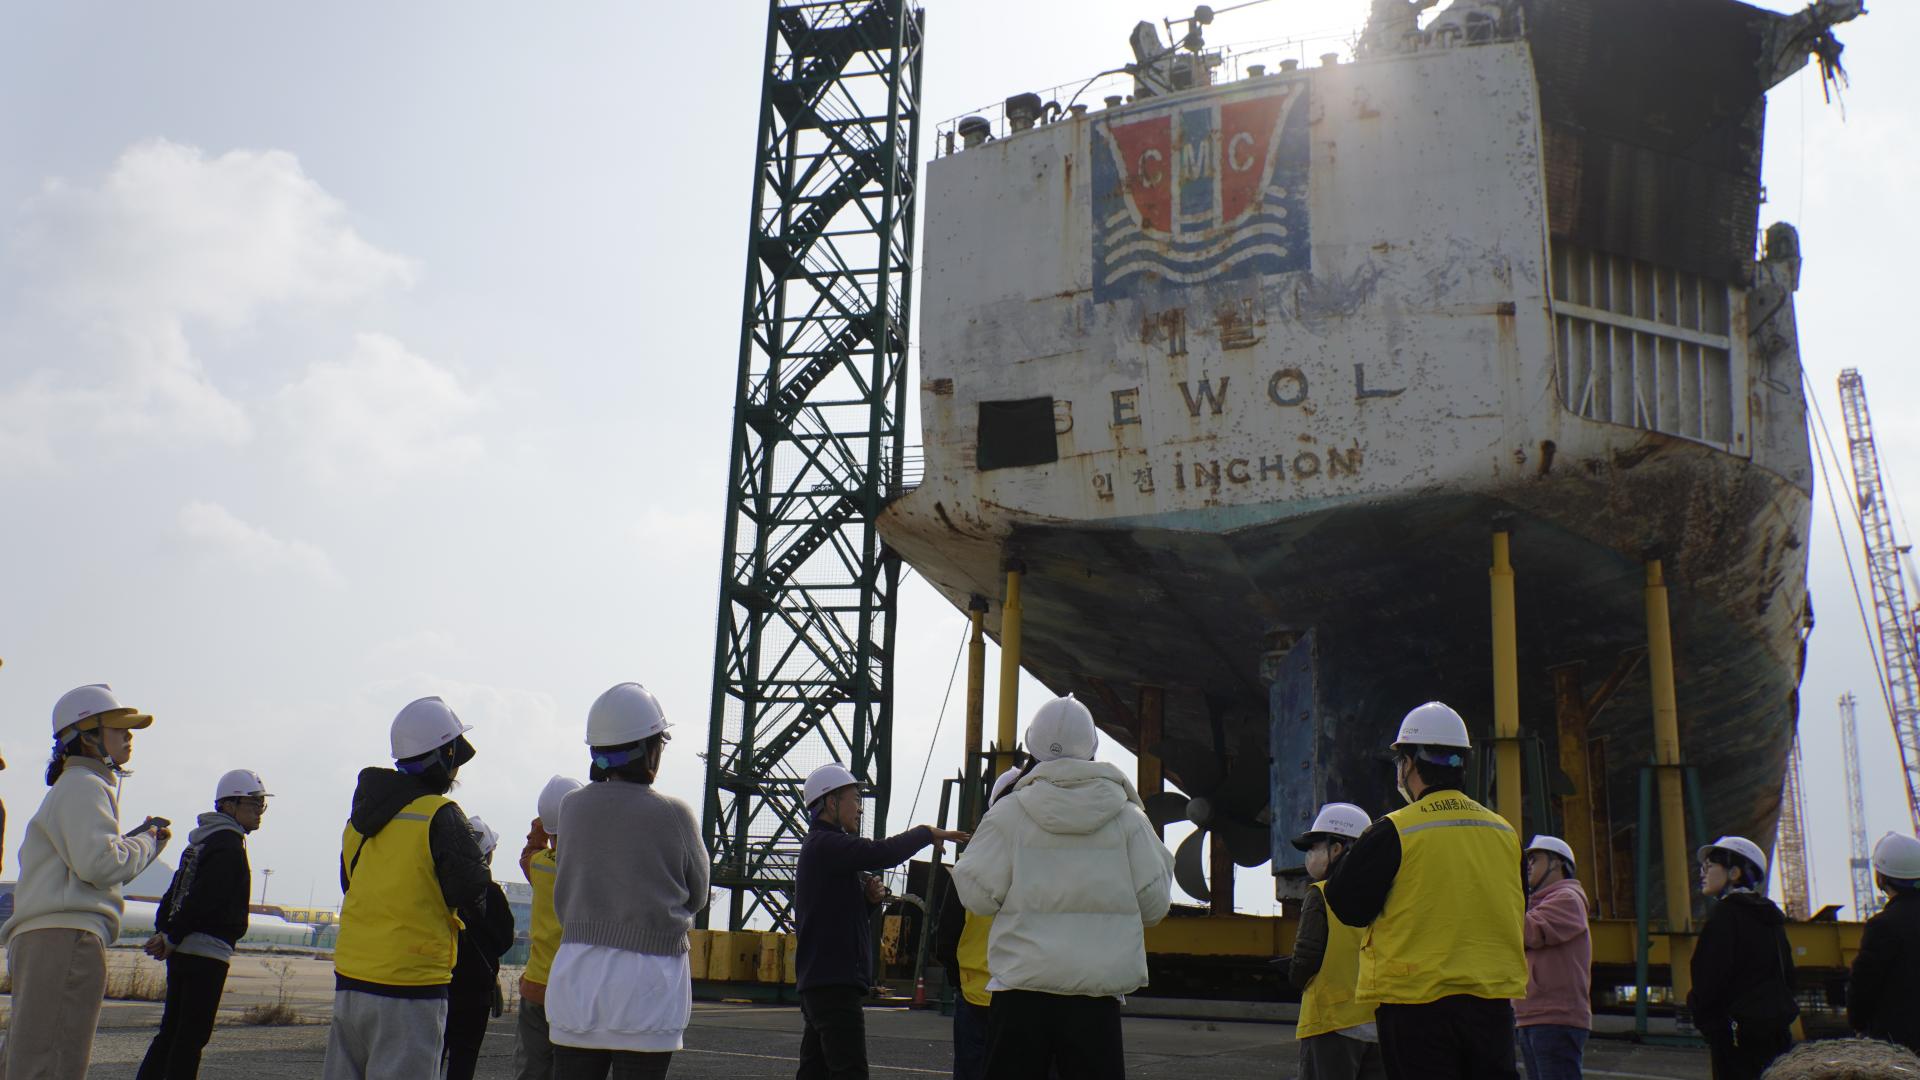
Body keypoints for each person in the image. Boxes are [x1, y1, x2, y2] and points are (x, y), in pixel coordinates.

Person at [951, 694, 1175, 1080]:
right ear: (1092, 748)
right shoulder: (1129, 818)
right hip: (1095, 996)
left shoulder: (1008, 813)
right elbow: (1154, 906)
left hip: (1020, 992)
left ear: (1032, 747)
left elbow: (977, 896)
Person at [1323, 701, 1526, 1080]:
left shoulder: (1395, 830)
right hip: (1492, 1006)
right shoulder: (1504, 832)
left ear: (1410, 764)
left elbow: (1346, 905)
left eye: (1400, 761)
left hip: (1415, 1004)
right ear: (1462, 764)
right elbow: (1520, 904)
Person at [0, 683, 170, 1080]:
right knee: (53, 1062)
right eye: (118, 727)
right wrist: (148, 841)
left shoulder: (73, 786)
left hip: (47, 937)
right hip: (67, 938)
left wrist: (133, 842)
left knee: (28, 1057)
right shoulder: (84, 785)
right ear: (87, 735)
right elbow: (100, 866)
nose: (128, 736)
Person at [545, 682, 711, 1080]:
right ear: (650, 750)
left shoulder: (571, 808)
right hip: (648, 988)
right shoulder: (674, 813)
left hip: (576, 981)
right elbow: (699, 894)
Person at [324, 697, 492, 1080]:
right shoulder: (439, 814)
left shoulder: (359, 820)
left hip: (352, 979)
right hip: (410, 984)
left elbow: (350, 883)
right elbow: (471, 891)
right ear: (445, 755)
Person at [795, 761, 968, 1080]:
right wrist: (926, 832)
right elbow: (881, 852)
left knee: (815, 1071)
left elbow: (834, 919)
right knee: (850, 1072)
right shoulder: (828, 844)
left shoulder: (823, 848)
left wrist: (868, 903)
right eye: (854, 799)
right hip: (834, 985)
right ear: (831, 802)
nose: (859, 808)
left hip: (822, 981)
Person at [136, 769, 271, 1080]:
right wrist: (171, 935)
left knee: (171, 1032)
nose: (259, 812)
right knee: (191, 1037)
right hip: (207, 951)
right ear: (229, 805)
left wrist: (166, 932)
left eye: (262, 805)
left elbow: (174, 891)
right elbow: (207, 897)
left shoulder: (200, 842)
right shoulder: (228, 845)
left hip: (182, 949)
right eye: (253, 804)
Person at [934, 765, 1023, 1080]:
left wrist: (960, 981)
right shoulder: (1041, 861)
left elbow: (945, 938)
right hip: (1023, 993)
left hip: (975, 993)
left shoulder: (969, 866)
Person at [1288, 802, 1384, 1080]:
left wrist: (1295, 977)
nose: (1310, 855)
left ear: (1337, 849)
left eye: (1315, 847)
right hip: (1377, 1023)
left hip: (1331, 1020)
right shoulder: (1385, 895)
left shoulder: (1320, 894)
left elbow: (1306, 956)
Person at [1690, 835, 1797, 1080]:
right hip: (1775, 1031)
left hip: (1734, 1037)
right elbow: (1788, 976)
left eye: (1709, 866)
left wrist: (1707, 1022)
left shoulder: (1724, 916)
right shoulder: (1772, 918)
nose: (1702, 873)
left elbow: (1708, 978)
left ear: (1734, 873)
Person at [518, 775, 583, 1080]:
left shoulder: (539, 865)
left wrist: (541, 825)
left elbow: (529, 852)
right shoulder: (587, 867)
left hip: (536, 984)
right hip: (574, 988)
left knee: (531, 1068)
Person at [444, 816, 516, 1080]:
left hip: (438, 985)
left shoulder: (441, 886)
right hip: (476, 991)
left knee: (430, 1055)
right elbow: (505, 939)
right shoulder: (491, 892)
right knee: (464, 1058)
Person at [1516, 835, 1591, 1080]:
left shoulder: (1568, 899)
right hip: (1532, 1015)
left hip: (1555, 1016)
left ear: (1557, 863)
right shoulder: (1535, 904)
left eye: (1535, 859)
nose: (1528, 866)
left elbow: (1527, 932)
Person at [1847, 832, 1920, 1055]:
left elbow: (1864, 983)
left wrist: (1858, 1023)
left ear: (1881, 878)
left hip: (1900, 1045)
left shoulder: (1883, 926)